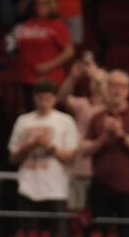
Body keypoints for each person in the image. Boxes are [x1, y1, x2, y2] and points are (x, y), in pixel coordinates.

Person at [80, 69, 129, 223]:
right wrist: (104, 138)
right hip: (101, 186)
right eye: (113, 85)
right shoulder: (97, 117)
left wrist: (121, 135)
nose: (117, 90)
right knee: (98, 233)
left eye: (122, 86)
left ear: (128, 90)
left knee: (127, 234)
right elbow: (84, 150)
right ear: (106, 88)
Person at [7, 80, 79, 212]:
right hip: (27, 186)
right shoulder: (23, 121)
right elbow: (13, 158)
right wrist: (29, 145)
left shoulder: (65, 121)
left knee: (57, 230)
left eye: (48, 98)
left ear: (55, 98)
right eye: (41, 98)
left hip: (56, 188)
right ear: (35, 98)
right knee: (28, 231)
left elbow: (71, 157)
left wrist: (49, 146)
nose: (44, 101)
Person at [58, 57, 107, 210]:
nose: (96, 82)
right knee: (75, 211)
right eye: (93, 80)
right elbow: (62, 98)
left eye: (101, 79)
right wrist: (73, 77)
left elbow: (111, 99)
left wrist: (99, 78)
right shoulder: (83, 104)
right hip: (81, 164)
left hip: (103, 167)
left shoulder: (114, 106)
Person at [7, 0, 74, 95]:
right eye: (37, 3)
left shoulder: (57, 25)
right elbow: (16, 48)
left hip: (50, 79)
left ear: (51, 4)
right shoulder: (27, 25)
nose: (40, 6)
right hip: (28, 78)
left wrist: (48, 65)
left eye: (44, 3)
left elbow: (69, 51)